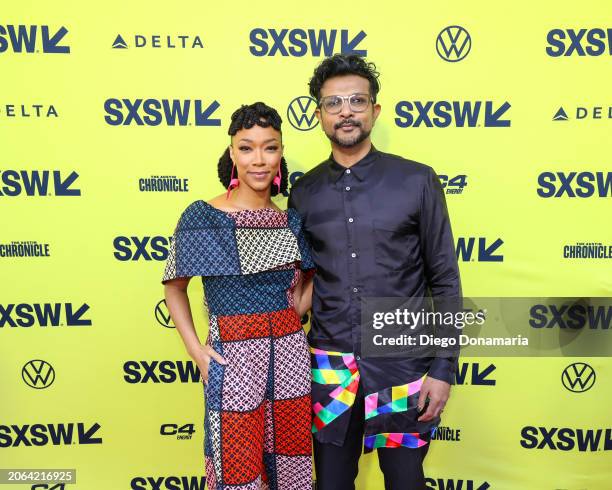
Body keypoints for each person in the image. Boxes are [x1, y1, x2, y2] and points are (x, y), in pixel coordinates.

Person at [288, 55, 462, 489]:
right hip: (329, 369)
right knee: (330, 482)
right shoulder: (303, 192)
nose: (345, 111)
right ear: (319, 116)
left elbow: (444, 280)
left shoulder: (417, 181)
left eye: (356, 101)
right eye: (333, 103)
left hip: (401, 365)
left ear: (375, 111)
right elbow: (299, 283)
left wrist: (443, 368)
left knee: (405, 481)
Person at [162, 102, 315, 490]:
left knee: (291, 464)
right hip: (233, 357)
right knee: (236, 470)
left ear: (281, 153)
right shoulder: (203, 216)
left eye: (270, 147)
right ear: (232, 153)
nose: (259, 160)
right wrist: (197, 351)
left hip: (290, 357)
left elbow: (305, 285)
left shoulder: (290, 220)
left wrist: (288, 319)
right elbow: (174, 288)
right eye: (246, 148)